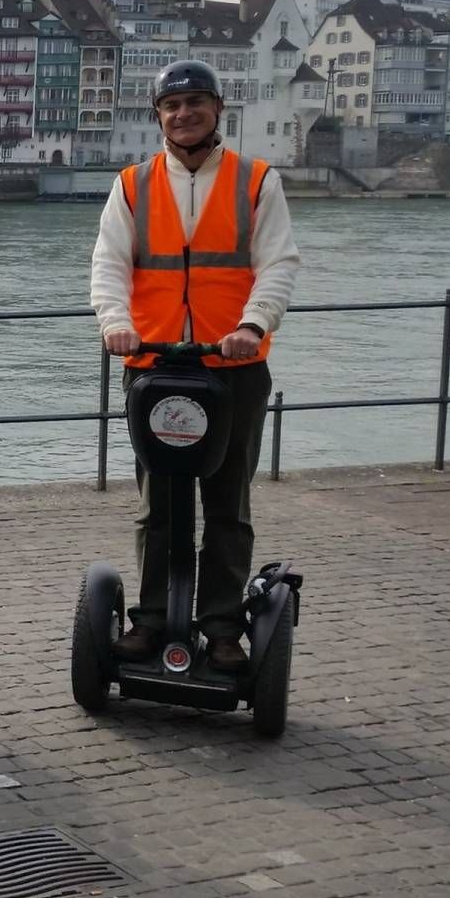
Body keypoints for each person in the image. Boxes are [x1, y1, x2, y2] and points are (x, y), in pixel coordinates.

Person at [90, 59, 300, 673]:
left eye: (195, 104)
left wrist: (253, 325)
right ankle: (152, 620)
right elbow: (109, 264)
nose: (183, 114)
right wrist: (113, 322)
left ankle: (223, 625)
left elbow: (278, 263)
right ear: (158, 116)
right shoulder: (132, 185)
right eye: (171, 106)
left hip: (231, 365)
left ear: (217, 112)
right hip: (154, 365)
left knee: (227, 501)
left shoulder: (256, 181)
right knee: (160, 502)